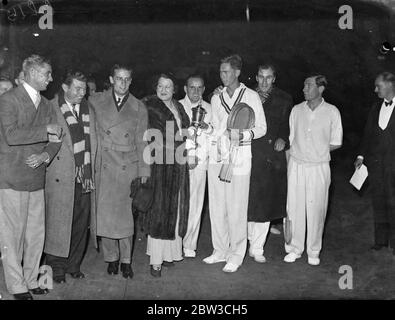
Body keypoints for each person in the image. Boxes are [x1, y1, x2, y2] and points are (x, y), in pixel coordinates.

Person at [0, 54, 62, 300]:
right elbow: (11, 136)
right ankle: (17, 287)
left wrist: (45, 156)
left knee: (36, 235)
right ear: (34, 73)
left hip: (36, 178)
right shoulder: (8, 100)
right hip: (11, 178)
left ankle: (32, 279)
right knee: (12, 237)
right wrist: (45, 129)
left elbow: (57, 138)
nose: (50, 78)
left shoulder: (46, 104)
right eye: (47, 74)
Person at [204, 54, 267, 273]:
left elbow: (261, 129)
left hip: (239, 159)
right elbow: (215, 125)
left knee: (237, 208)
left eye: (227, 71)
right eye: (221, 71)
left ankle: (236, 254)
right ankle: (219, 250)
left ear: (238, 72)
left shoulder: (250, 96)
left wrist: (241, 136)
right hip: (217, 157)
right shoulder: (215, 97)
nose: (223, 76)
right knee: (217, 206)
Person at [90, 64, 149, 279]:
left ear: (131, 81)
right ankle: (111, 259)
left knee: (125, 218)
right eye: (119, 78)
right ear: (111, 79)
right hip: (104, 164)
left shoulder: (138, 107)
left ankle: (126, 260)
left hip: (127, 166)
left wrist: (144, 171)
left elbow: (143, 141)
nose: (123, 83)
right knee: (105, 216)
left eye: (127, 79)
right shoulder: (96, 101)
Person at [43, 71, 98, 283]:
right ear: (65, 88)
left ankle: (74, 264)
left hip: (84, 176)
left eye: (84, 88)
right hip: (60, 176)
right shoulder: (50, 108)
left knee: (80, 222)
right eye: (77, 88)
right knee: (57, 223)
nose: (81, 93)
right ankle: (56, 267)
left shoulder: (88, 109)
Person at [284, 75, 342, 266]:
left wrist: (316, 152)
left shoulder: (332, 112)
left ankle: (313, 251)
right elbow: (291, 140)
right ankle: (295, 248)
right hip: (296, 165)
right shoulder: (296, 110)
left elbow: (336, 142)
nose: (304, 88)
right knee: (294, 208)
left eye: (308, 85)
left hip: (318, 167)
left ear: (321, 88)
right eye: (304, 85)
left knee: (316, 210)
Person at [142, 73, 190, 277]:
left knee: (175, 209)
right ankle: (156, 261)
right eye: (160, 86)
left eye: (168, 87)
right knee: (160, 210)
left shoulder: (178, 107)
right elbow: (153, 136)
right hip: (161, 164)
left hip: (178, 164)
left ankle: (170, 255)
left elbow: (185, 130)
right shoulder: (150, 106)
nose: (163, 90)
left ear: (174, 89)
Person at [247, 64, 292, 263]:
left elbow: (289, 127)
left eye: (269, 78)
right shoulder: (247, 95)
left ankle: (257, 247)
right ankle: (247, 240)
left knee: (265, 204)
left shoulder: (284, 98)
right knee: (247, 202)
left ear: (274, 79)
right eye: (261, 77)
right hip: (247, 154)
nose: (264, 81)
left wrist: (284, 139)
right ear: (256, 77)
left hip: (270, 157)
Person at [354, 72, 395, 253]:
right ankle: (380, 240)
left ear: (389, 85)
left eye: (378, 86)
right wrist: (361, 156)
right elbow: (367, 134)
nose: (375, 89)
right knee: (378, 201)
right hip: (377, 164)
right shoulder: (375, 107)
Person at [179, 75, 212, 258]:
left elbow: (214, 136)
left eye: (199, 88)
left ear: (204, 89)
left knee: (195, 205)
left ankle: (189, 245)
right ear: (185, 88)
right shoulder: (176, 106)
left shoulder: (210, 109)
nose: (196, 91)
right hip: (180, 161)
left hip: (200, 164)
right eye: (192, 87)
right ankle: (174, 242)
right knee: (177, 204)